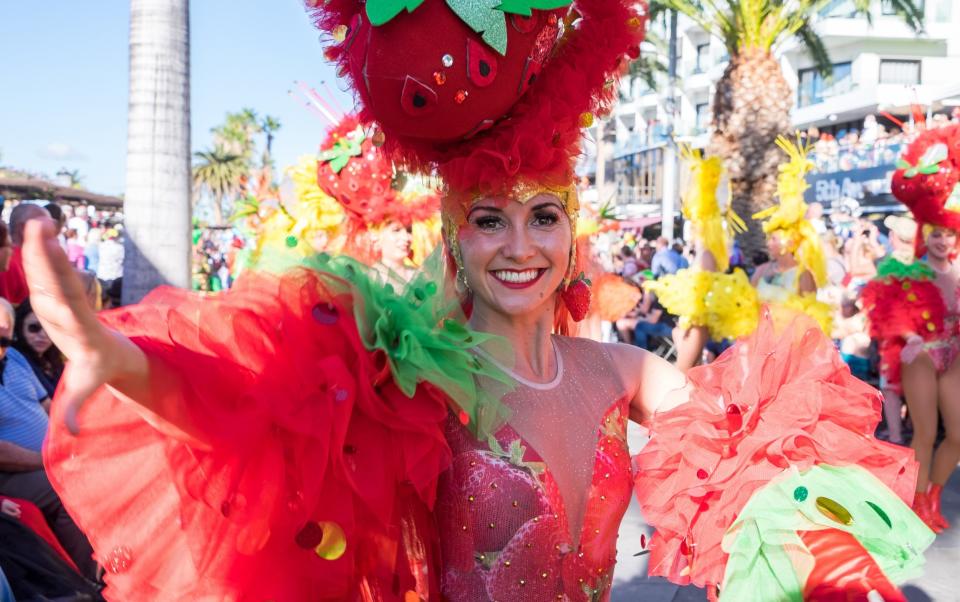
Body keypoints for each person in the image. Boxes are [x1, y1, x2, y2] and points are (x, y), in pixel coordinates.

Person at [23, 2, 928, 600]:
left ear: (573, 229)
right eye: (489, 220)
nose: (520, 245)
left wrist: (825, 551)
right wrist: (123, 365)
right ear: (454, 237)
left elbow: (750, 446)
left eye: (542, 216)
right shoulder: (420, 377)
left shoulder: (619, 371)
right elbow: (261, 412)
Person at [866, 124, 960, 533]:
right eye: (936, 234)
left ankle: (934, 493)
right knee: (923, 433)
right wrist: (909, 336)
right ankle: (919, 502)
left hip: (953, 354)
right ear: (927, 235)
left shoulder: (958, 271)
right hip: (920, 355)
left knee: (957, 435)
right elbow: (888, 313)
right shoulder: (910, 271)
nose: (941, 241)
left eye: (948, 234)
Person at [0, 298, 96, 580]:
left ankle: (111, 566)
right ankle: (85, 579)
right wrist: (53, 459)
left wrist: (83, 438)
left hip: (48, 459)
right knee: (70, 489)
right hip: (12, 473)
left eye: (5, 339)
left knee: (102, 473)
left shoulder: (15, 358)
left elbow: (49, 407)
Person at [13, 300, 64, 398]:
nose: (43, 335)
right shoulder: (14, 361)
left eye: (50, 329)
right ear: (19, 327)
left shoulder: (55, 359)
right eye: (34, 328)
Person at [0, 203, 49, 305]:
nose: (51, 231)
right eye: (44, 226)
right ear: (23, 228)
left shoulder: (29, 259)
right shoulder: (9, 263)